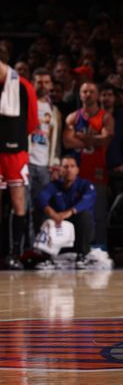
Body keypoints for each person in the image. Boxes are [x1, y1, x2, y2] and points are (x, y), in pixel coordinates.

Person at [63, 82, 114, 252]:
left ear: (98, 95)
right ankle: (79, 250)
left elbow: (105, 140)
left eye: (92, 91)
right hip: (77, 174)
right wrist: (92, 138)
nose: (88, 94)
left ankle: (100, 248)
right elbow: (67, 141)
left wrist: (79, 136)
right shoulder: (73, 117)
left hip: (98, 171)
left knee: (98, 214)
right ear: (80, 94)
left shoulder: (105, 117)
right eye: (84, 91)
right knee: (78, 213)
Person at [0, 47, 37, 269]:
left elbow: (32, 122)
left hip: (15, 152)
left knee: (18, 202)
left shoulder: (23, 86)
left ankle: (14, 252)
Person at [35, 155, 97, 267]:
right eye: (65, 166)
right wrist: (52, 213)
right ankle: (47, 256)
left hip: (77, 228)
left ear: (77, 170)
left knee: (85, 215)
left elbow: (88, 199)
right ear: (60, 170)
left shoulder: (85, 184)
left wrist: (70, 211)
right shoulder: (54, 185)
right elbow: (41, 198)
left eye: (72, 166)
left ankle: (82, 255)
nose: (69, 169)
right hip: (59, 226)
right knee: (44, 215)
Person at [28, 68, 61, 231]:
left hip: (44, 166)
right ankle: (21, 249)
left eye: (46, 82)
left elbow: (55, 141)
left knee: (43, 208)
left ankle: (39, 248)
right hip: (25, 162)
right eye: (39, 82)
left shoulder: (54, 110)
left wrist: (54, 165)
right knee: (23, 209)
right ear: (32, 83)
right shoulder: (23, 104)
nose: (42, 86)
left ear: (51, 85)